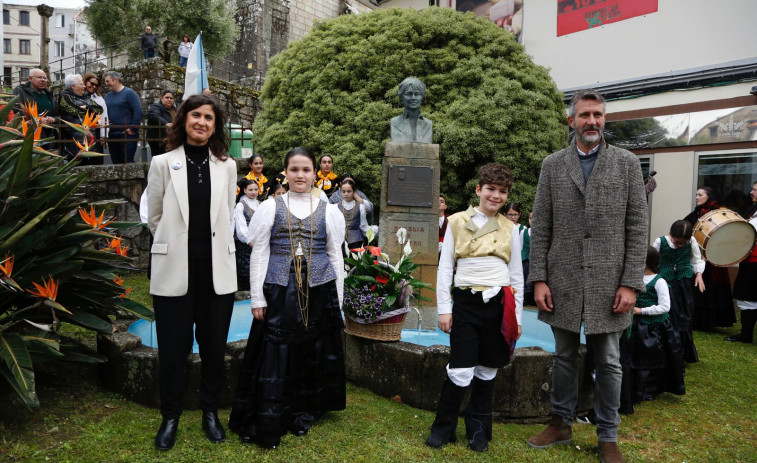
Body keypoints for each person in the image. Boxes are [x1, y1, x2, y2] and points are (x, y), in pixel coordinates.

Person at [526, 89, 648, 463]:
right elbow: (541, 226)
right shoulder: (552, 165)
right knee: (563, 356)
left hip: (610, 281)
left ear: (604, 119)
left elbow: (638, 226)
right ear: (571, 121)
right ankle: (560, 423)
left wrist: (631, 282)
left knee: (609, 360)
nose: (591, 121)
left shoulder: (627, 163)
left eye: (597, 115)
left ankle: (607, 435)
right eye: (584, 115)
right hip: (561, 276)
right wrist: (540, 278)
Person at [228, 147, 346, 449]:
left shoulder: (328, 209)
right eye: (294, 170)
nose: (300, 175)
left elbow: (334, 253)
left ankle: (305, 410)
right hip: (280, 289)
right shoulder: (271, 206)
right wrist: (257, 298)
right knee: (277, 352)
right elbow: (260, 252)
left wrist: (339, 302)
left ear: (314, 173)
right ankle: (274, 410)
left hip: (319, 288)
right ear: (286, 172)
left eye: (306, 170)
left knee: (311, 349)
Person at [146, 94, 238, 451]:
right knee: (173, 348)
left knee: (214, 347)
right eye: (195, 115)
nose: (201, 122)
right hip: (174, 271)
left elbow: (227, 215)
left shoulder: (227, 165)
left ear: (216, 126)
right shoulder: (162, 163)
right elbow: (155, 217)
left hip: (217, 273)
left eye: (209, 118)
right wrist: (176, 243)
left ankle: (210, 413)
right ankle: (170, 416)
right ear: (183, 119)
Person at [427, 163, 523, 453]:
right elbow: (445, 269)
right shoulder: (456, 221)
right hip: (466, 303)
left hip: (499, 304)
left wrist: (516, 319)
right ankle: (443, 428)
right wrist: (445, 308)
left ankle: (478, 430)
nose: (496, 196)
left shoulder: (512, 229)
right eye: (491, 189)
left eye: (502, 192)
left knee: (487, 369)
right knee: (460, 369)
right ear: (479, 189)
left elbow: (517, 276)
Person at [626, 246, 685, 404]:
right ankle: (633, 387)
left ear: (645, 263)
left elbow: (665, 307)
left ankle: (648, 390)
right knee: (634, 356)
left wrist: (641, 311)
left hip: (652, 328)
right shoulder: (633, 278)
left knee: (650, 359)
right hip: (635, 325)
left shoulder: (659, 282)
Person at [652, 220, 705, 364]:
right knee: (671, 317)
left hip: (684, 283)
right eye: (677, 242)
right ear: (670, 234)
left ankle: (682, 355)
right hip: (665, 284)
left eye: (683, 242)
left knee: (685, 317)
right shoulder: (660, 242)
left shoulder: (692, 241)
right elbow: (651, 261)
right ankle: (669, 355)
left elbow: (696, 260)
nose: (680, 245)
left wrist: (699, 275)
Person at [684, 187, 736, 330]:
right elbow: (686, 223)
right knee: (700, 287)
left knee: (711, 287)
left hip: (713, 258)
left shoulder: (715, 211)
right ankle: (699, 321)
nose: (697, 197)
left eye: (700, 195)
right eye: (696, 194)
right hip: (700, 255)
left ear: (709, 196)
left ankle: (710, 322)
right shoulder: (698, 211)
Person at [726, 181, 757, 343]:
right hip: (749, 261)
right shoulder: (753, 209)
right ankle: (746, 333)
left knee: (749, 294)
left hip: (755, 262)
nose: (751, 192)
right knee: (747, 296)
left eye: (755, 190)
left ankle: (746, 334)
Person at [58, 74, 103, 163]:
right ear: (73, 86)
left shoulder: (87, 97)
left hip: (91, 139)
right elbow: (73, 110)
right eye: (81, 84)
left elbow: (99, 110)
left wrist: (86, 107)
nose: (84, 86)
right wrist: (89, 110)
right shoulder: (65, 97)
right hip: (75, 142)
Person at [12, 68, 58, 149]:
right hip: (31, 134)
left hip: (50, 134)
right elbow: (18, 110)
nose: (43, 80)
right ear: (30, 78)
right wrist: (39, 119)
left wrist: (53, 119)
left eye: (45, 78)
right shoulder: (20, 91)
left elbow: (58, 113)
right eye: (39, 77)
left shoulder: (49, 94)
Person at [104, 70, 143, 164]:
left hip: (127, 134)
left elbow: (138, 111)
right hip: (112, 135)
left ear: (115, 79)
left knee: (127, 161)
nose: (106, 84)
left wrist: (133, 128)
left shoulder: (129, 93)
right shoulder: (107, 96)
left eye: (107, 81)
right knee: (116, 162)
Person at [234, 178, 260, 292]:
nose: (253, 192)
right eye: (250, 190)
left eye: (255, 189)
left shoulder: (261, 204)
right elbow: (241, 228)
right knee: (245, 272)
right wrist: (249, 242)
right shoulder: (241, 205)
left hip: (258, 243)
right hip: (245, 244)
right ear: (245, 190)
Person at [390, 77, 433, 143]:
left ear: (422, 96)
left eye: (417, 94)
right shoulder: (394, 123)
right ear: (401, 97)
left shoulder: (428, 124)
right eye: (409, 94)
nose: (413, 98)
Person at [338, 179, 369, 252]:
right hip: (340, 240)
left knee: (354, 262)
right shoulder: (336, 207)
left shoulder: (360, 207)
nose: (346, 194)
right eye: (343, 191)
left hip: (356, 241)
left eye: (349, 191)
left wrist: (373, 231)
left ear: (354, 192)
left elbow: (363, 226)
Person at [82, 73, 108, 155]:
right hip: (82, 131)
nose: (94, 87)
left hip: (96, 131)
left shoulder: (99, 99)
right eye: (92, 84)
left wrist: (103, 135)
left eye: (96, 85)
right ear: (85, 82)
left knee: (96, 158)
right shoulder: (78, 96)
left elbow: (104, 117)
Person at [147, 90, 177, 157]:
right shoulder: (156, 107)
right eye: (167, 97)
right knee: (159, 160)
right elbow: (155, 116)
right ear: (161, 98)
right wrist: (166, 123)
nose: (169, 99)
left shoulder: (174, 109)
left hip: (171, 140)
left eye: (171, 98)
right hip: (158, 140)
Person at [438, 195, 449, 259]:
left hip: (446, 253)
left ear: (445, 206)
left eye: (442, 201)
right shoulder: (429, 220)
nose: (439, 203)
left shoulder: (451, 219)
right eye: (437, 201)